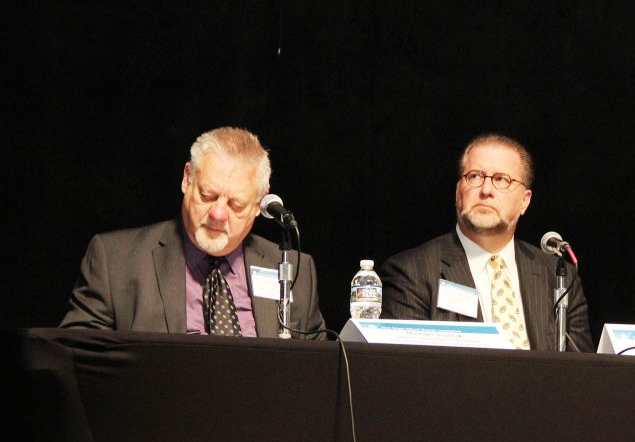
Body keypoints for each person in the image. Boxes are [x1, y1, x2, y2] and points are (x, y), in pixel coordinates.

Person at [61, 126, 327, 338]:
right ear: (187, 178)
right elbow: (79, 359)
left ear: (259, 204)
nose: (218, 214)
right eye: (207, 196)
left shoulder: (295, 271)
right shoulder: (116, 261)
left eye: (235, 205)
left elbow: (317, 371)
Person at [379, 133, 594, 352]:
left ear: (524, 201)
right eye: (475, 177)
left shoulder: (560, 279)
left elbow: (581, 369)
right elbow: (408, 367)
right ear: (458, 192)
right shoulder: (411, 273)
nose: (486, 190)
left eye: (501, 180)